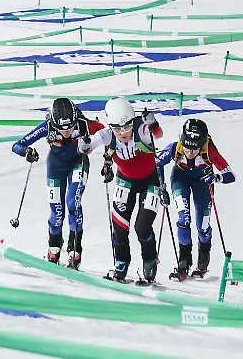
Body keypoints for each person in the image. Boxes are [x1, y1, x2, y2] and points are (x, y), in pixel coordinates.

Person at [11, 98, 107, 269]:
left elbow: (108, 134)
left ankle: (75, 248)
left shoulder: (83, 123)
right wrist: (27, 152)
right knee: (57, 212)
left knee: (73, 202)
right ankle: (54, 245)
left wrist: (108, 161)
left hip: (79, 163)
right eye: (62, 129)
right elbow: (17, 145)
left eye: (70, 127)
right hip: (56, 167)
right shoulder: (47, 125)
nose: (67, 132)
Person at [79, 97, 164, 284]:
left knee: (142, 227)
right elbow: (88, 147)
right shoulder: (107, 135)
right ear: (111, 126)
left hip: (149, 181)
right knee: (119, 229)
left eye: (126, 127)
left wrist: (153, 123)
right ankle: (121, 265)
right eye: (117, 129)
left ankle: (150, 261)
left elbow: (157, 134)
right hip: (125, 182)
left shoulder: (141, 128)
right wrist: (84, 145)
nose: (123, 133)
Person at [156, 119, 235, 280]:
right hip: (180, 178)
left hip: (202, 182)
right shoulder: (175, 148)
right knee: (183, 217)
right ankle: (183, 263)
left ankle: (202, 265)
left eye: (194, 148)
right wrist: (161, 187)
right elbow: (156, 163)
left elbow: (230, 175)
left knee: (203, 225)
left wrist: (216, 177)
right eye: (187, 146)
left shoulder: (209, 149)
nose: (189, 152)